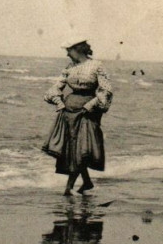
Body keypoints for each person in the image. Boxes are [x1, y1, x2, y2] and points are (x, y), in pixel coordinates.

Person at [42, 38, 112, 196]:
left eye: (69, 50)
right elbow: (56, 87)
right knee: (72, 149)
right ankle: (86, 182)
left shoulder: (97, 65)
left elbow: (105, 90)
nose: (67, 53)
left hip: (88, 112)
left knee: (82, 148)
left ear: (78, 49)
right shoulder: (69, 67)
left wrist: (91, 104)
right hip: (69, 111)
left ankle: (69, 188)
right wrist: (58, 101)